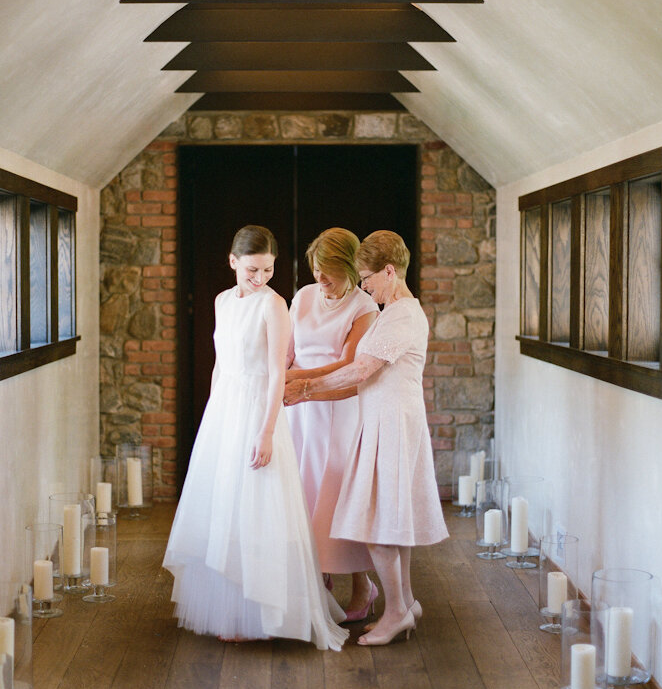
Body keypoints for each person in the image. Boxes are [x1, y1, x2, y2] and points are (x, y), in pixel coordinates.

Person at [163, 225, 348, 650]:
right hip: (225, 409)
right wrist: (213, 414)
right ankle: (229, 609)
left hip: (258, 412)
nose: (260, 277)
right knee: (223, 506)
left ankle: (261, 611)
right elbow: (219, 364)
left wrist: (265, 433)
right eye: (252, 269)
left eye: (268, 269)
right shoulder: (221, 301)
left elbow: (276, 374)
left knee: (256, 507)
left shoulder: (274, 305)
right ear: (232, 262)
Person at [284, 230, 448, 646]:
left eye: (368, 277)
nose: (366, 286)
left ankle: (395, 612)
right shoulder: (393, 310)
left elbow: (359, 371)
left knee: (379, 525)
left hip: (392, 423)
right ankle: (404, 605)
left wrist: (304, 389)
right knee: (390, 521)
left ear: (389, 272)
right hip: (381, 420)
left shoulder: (403, 315)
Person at [285, 228, 380, 622]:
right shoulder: (303, 297)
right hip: (299, 409)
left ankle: (363, 584)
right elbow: (288, 350)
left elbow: (347, 364)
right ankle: (316, 582)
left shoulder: (364, 307)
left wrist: (300, 381)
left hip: (337, 406)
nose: (321, 279)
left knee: (336, 495)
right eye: (316, 269)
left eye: (329, 271)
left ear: (350, 269)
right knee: (302, 490)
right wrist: (281, 377)